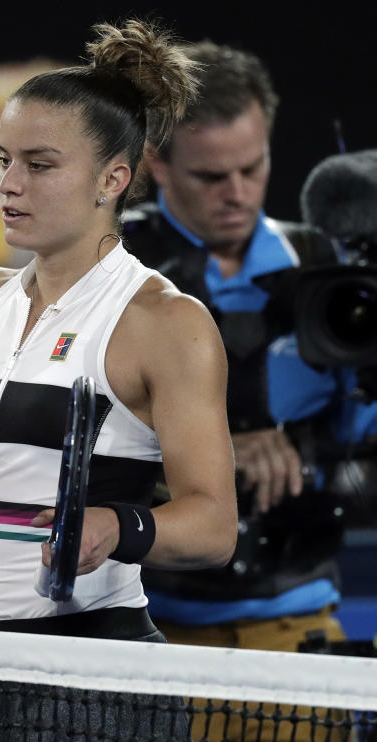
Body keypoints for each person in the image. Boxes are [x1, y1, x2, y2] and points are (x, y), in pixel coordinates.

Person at [0, 19, 237, 741]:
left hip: (103, 685)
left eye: (39, 165)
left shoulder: (165, 322)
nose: (8, 185)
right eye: (5, 160)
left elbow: (215, 525)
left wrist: (116, 525)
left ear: (113, 178)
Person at [125, 41, 377, 741]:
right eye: (210, 176)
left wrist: (306, 440)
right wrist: (216, 453)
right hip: (147, 643)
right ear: (156, 163)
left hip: (300, 638)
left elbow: (364, 448)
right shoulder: (104, 274)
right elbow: (60, 446)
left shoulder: (341, 272)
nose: (237, 193)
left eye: (253, 167)